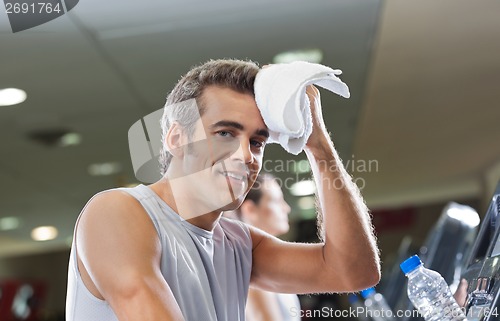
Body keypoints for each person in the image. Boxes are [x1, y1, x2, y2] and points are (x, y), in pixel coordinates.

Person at [66, 59, 381, 321]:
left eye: (256, 142)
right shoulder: (117, 212)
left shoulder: (239, 243)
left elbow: (354, 273)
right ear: (176, 138)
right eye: (226, 133)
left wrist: (319, 147)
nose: (246, 155)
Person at [226, 173, 301, 321]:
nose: (286, 208)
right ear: (250, 209)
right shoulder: (249, 263)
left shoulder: (265, 261)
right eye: (277, 201)